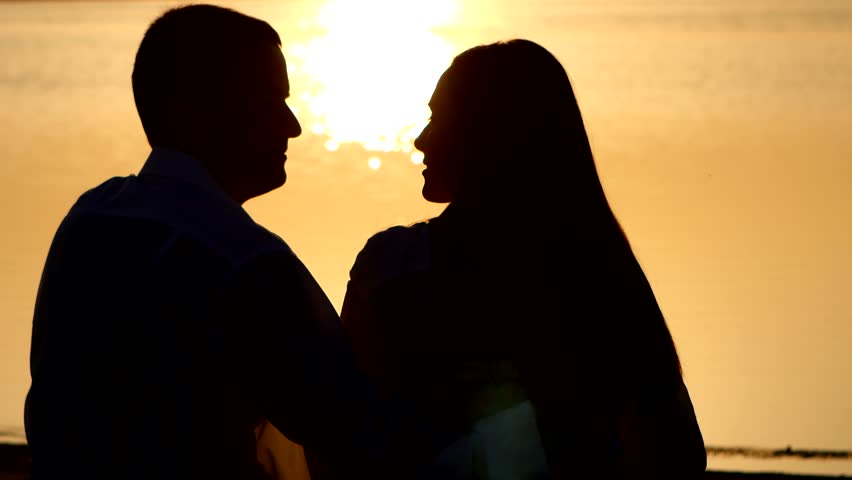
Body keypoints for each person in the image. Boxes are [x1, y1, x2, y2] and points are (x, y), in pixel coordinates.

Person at [23, 5, 457, 480]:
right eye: (270, 100)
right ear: (191, 109)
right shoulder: (242, 262)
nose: (292, 125)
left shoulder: (89, 218)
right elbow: (360, 428)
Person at [341, 39, 707, 479]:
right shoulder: (603, 275)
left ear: (488, 134)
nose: (420, 139)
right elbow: (676, 452)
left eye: (439, 118)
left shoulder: (392, 269)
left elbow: (341, 432)